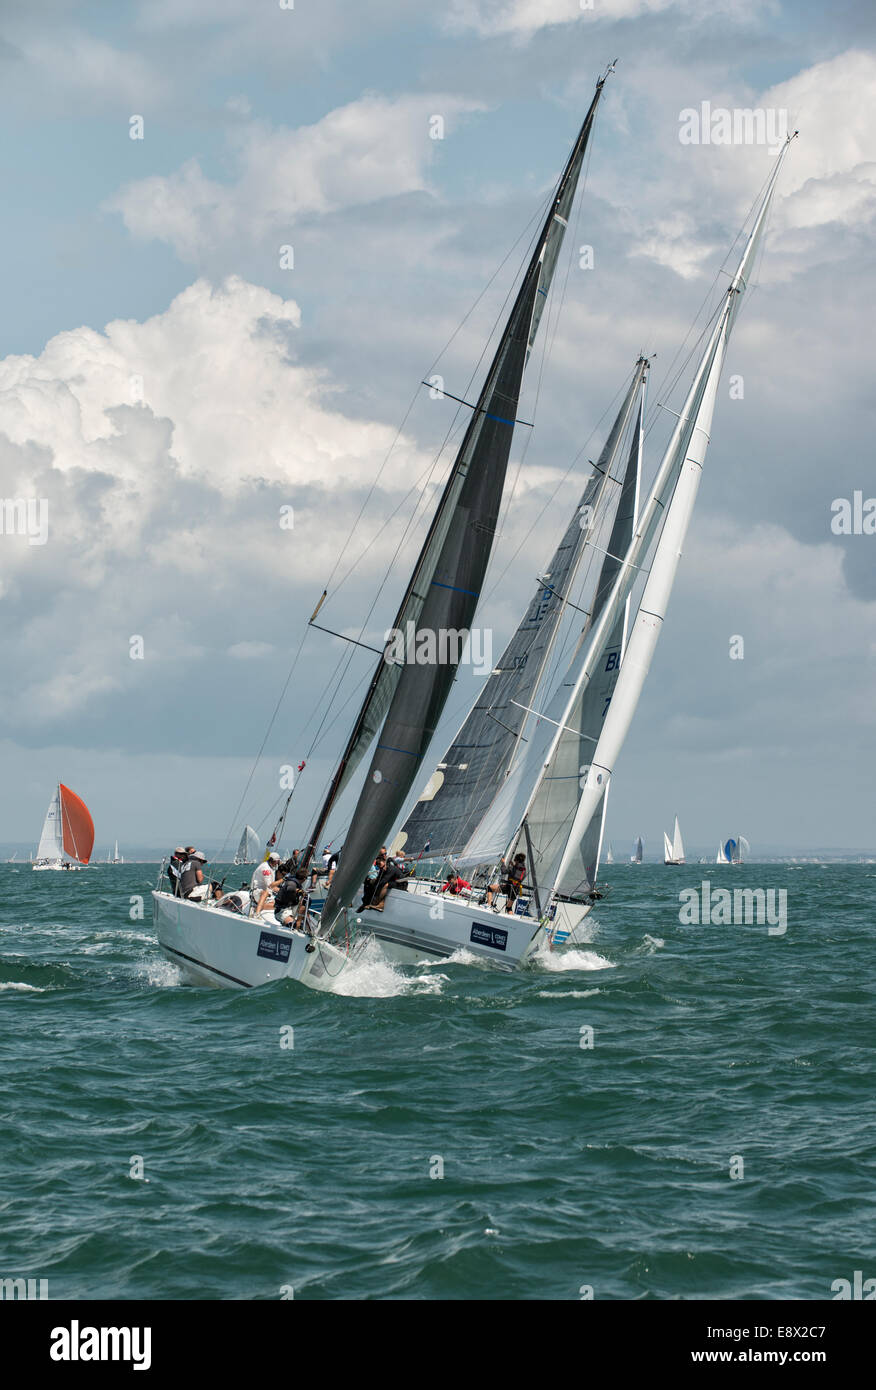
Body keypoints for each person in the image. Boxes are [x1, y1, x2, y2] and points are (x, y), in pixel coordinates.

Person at [251, 852, 281, 917]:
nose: (277, 863)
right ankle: (257, 913)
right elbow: (270, 885)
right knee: (265, 893)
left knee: (279, 905)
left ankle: (257, 906)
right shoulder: (265, 868)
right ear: (274, 861)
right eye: (277, 862)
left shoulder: (271, 867)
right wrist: (283, 889)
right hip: (257, 892)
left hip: (266, 893)